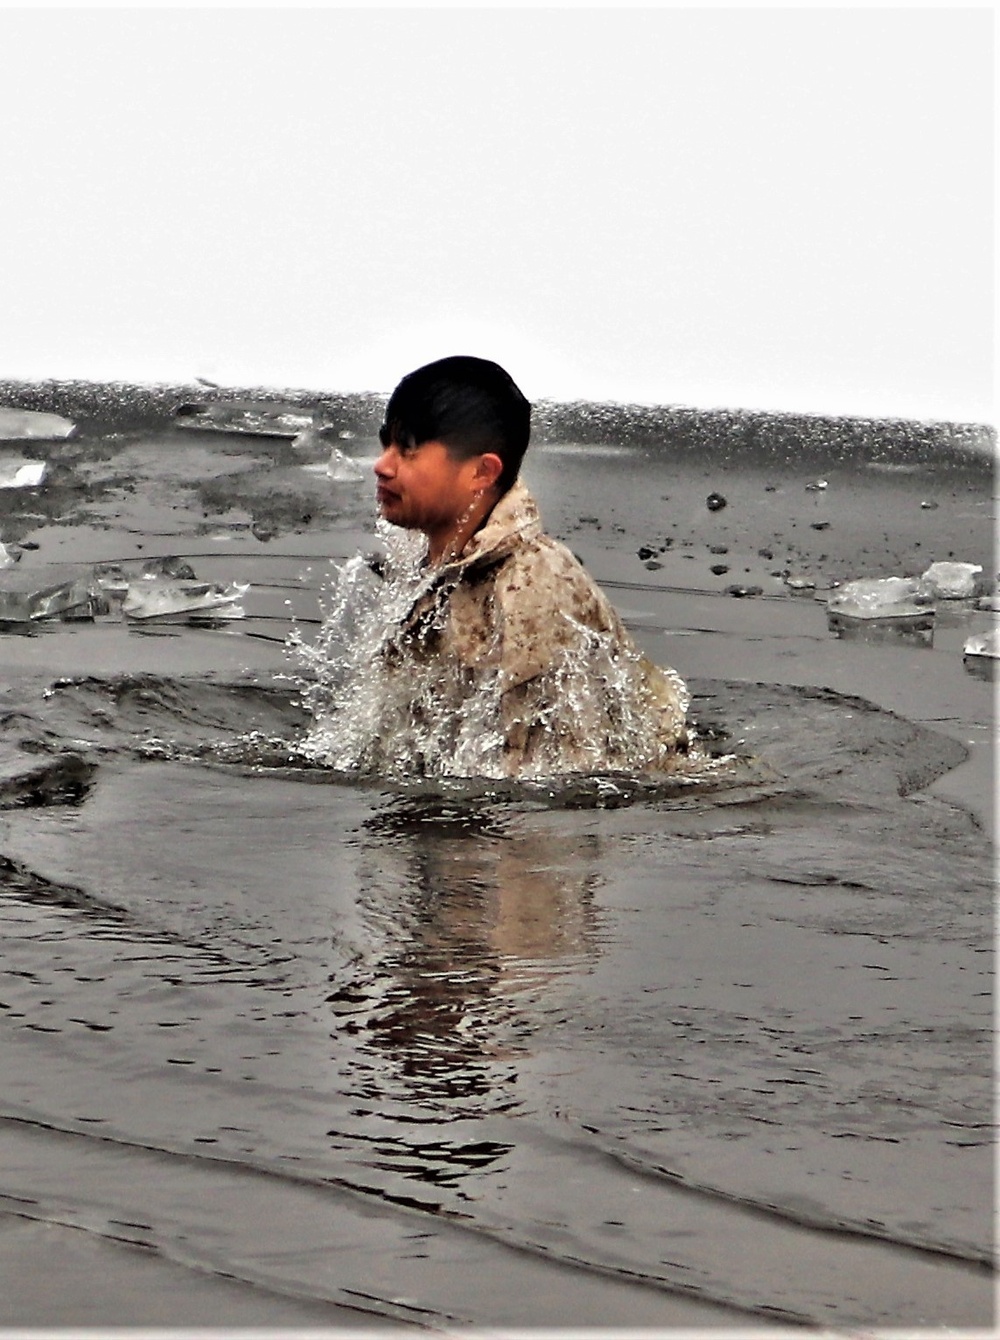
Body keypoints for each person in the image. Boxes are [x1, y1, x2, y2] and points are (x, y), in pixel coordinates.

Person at [361, 354, 690, 780]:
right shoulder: (437, 566)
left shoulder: (533, 586)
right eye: (386, 442)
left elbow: (554, 773)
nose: (382, 464)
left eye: (407, 448)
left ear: (482, 471)